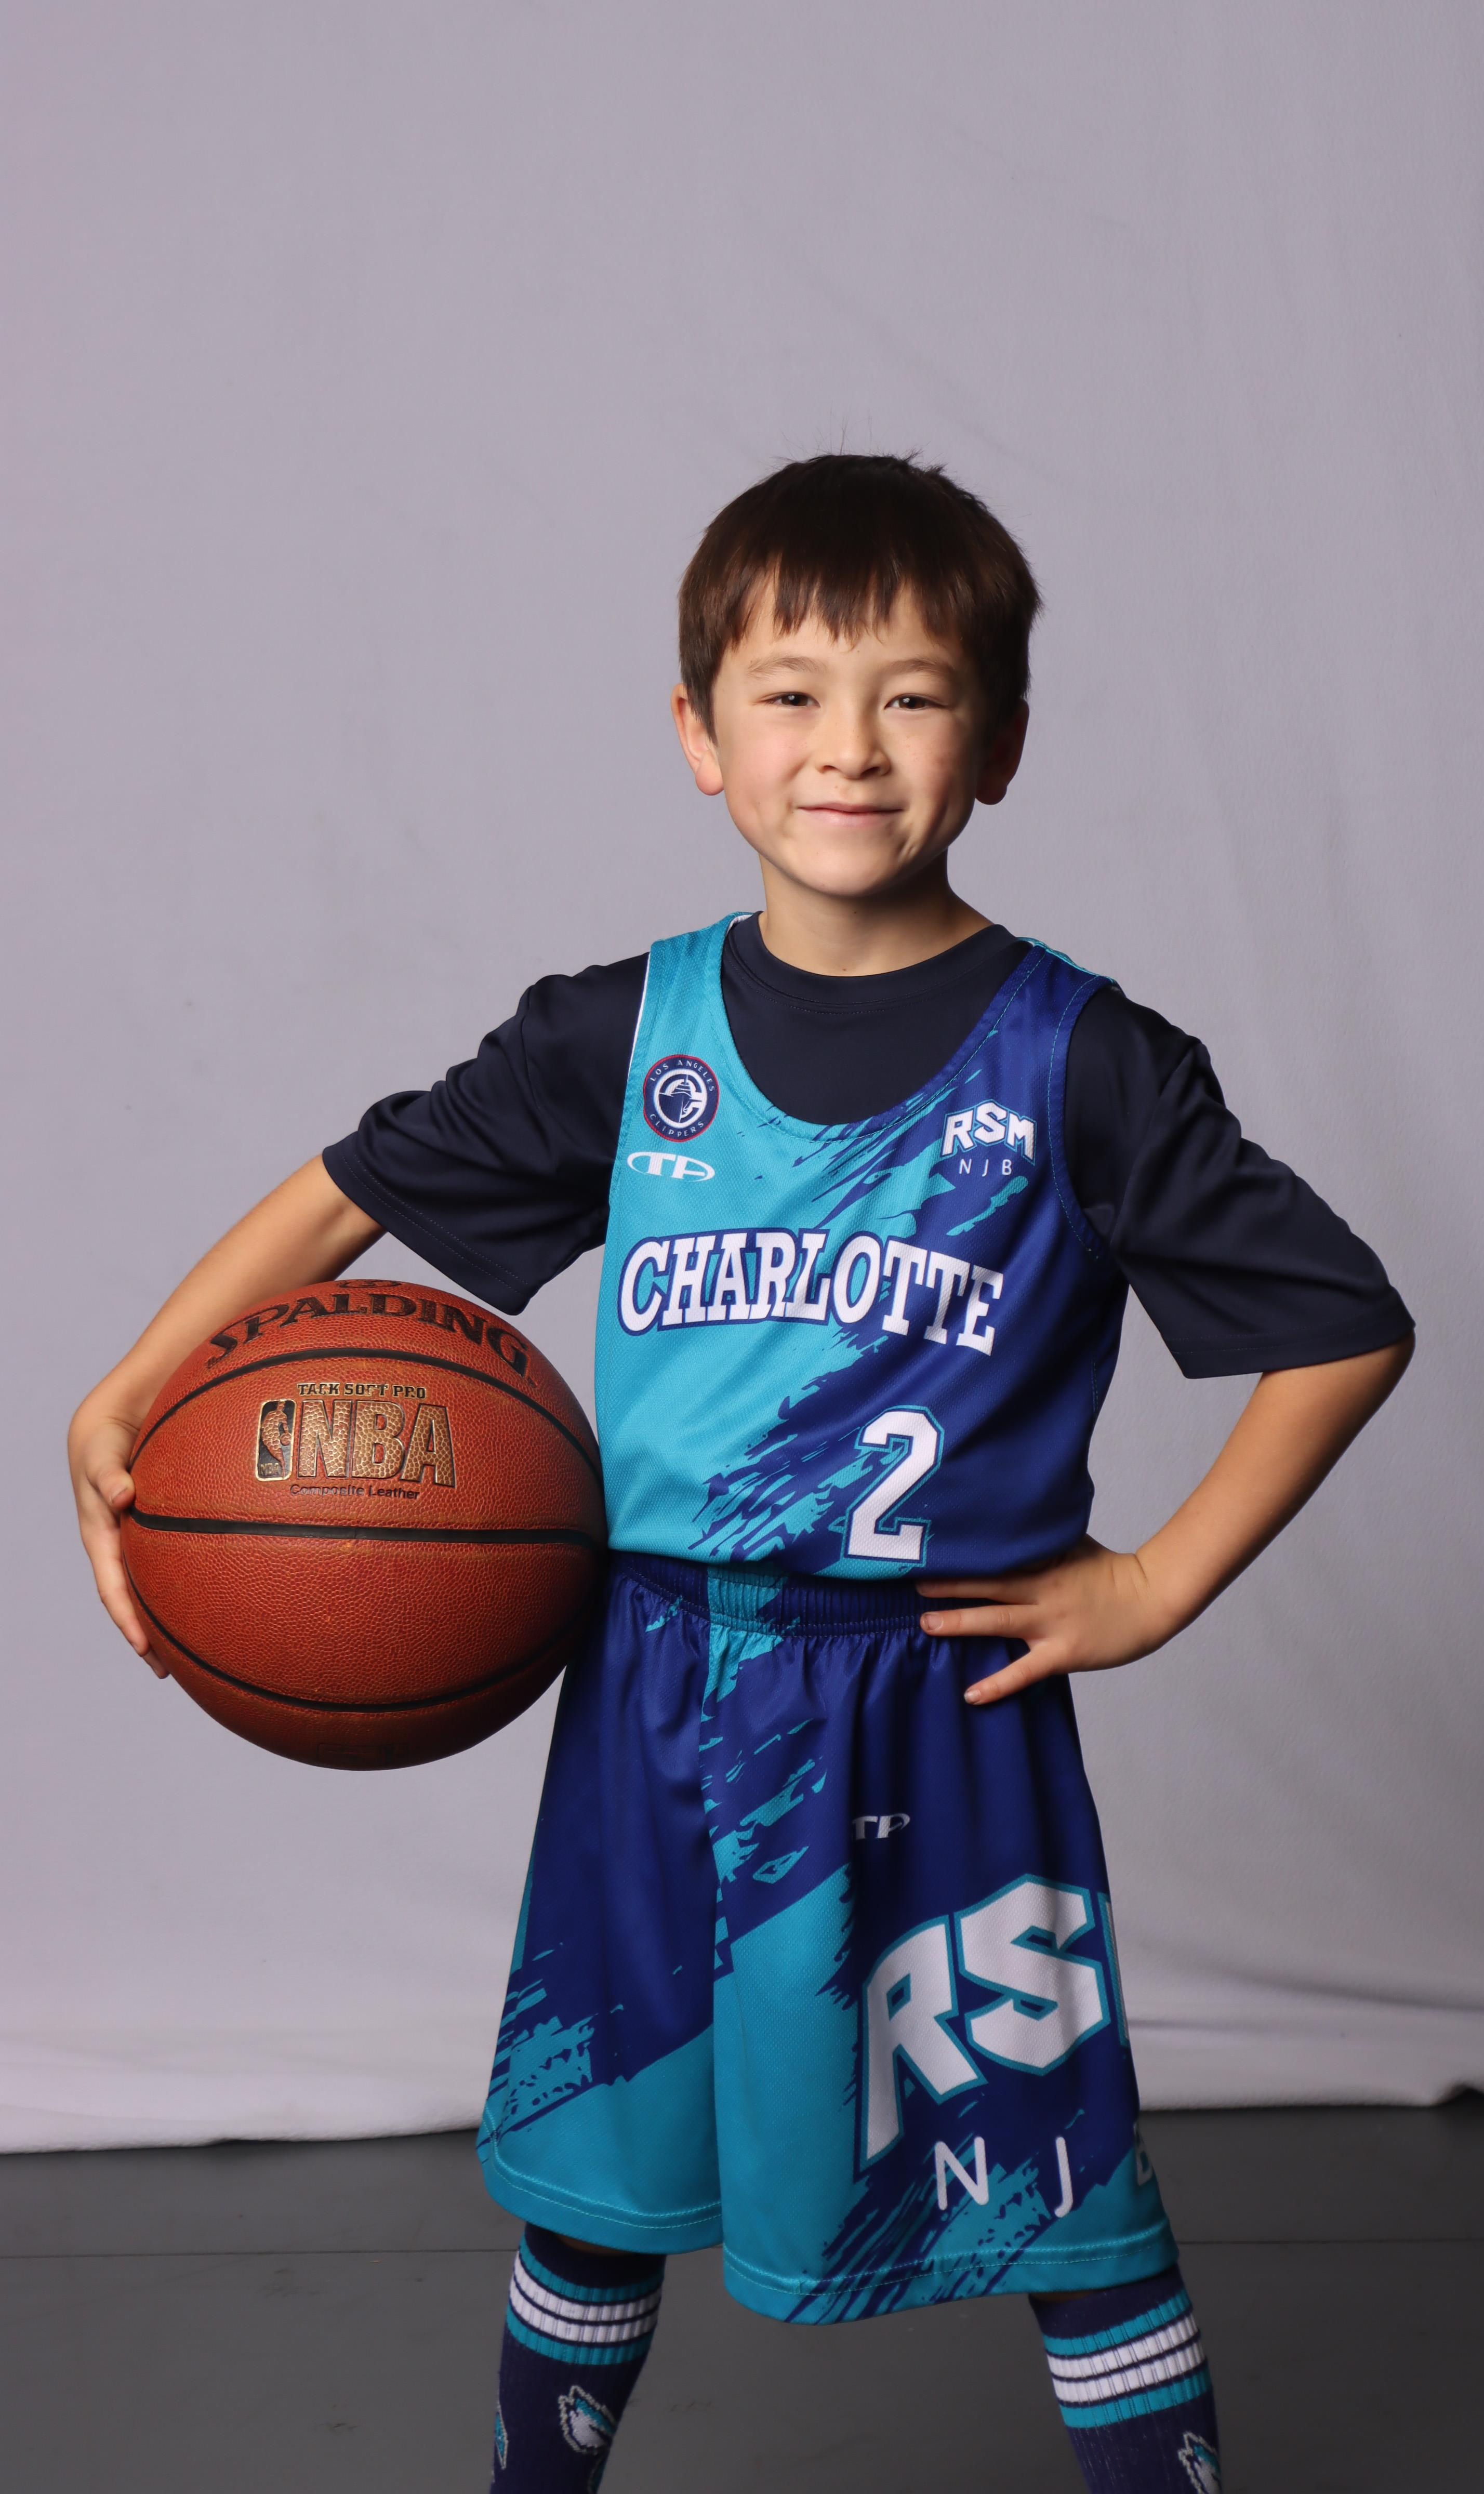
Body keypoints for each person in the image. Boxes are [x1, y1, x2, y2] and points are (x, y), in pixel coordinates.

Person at [69, 453, 1413, 2492]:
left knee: (1053, 2184)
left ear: (1000, 745)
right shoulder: (628, 1037)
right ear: (700, 736)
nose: (846, 747)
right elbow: (353, 1191)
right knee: (599, 2179)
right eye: (789, 694)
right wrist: (131, 1390)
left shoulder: (1082, 1060)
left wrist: (1153, 1582)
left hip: (934, 1698)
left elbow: (1340, 1322)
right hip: (655, 1684)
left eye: (910, 694)